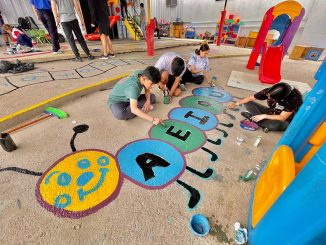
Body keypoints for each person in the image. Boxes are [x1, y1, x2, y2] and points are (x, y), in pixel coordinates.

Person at [228, 82, 303, 132]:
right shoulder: (269, 91)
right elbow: (251, 98)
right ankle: (259, 121)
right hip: (271, 112)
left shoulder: (293, 99)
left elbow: (282, 117)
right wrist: (237, 103)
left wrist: (263, 116)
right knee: (247, 103)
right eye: (268, 96)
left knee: (277, 126)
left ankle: (254, 118)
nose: (268, 97)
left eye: (272, 98)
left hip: (283, 120)